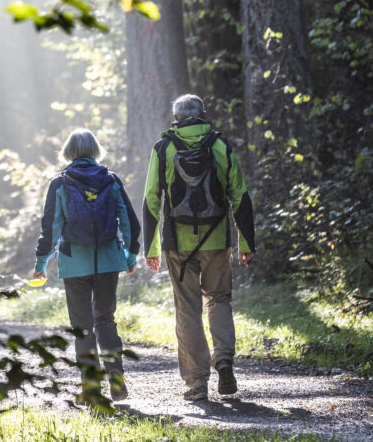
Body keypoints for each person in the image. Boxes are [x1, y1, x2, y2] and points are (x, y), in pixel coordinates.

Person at [142, 94, 255, 401]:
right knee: (219, 300)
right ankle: (224, 361)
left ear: (175, 118)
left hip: (177, 245)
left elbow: (152, 199)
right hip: (217, 241)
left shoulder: (163, 147)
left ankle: (196, 384)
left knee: (188, 310)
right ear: (203, 115)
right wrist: (246, 242)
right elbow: (240, 196)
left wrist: (150, 248)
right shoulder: (219, 145)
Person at [32, 128, 141, 403]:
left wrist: (41, 263)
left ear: (68, 152)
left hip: (74, 263)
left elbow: (51, 227)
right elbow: (129, 222)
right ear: (95, 150)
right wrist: (129, 256)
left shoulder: (60, 183)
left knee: (82, 327)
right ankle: (116, 380)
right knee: (105, 319)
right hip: (107, 261)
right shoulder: (111, 179)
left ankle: (91, 389)